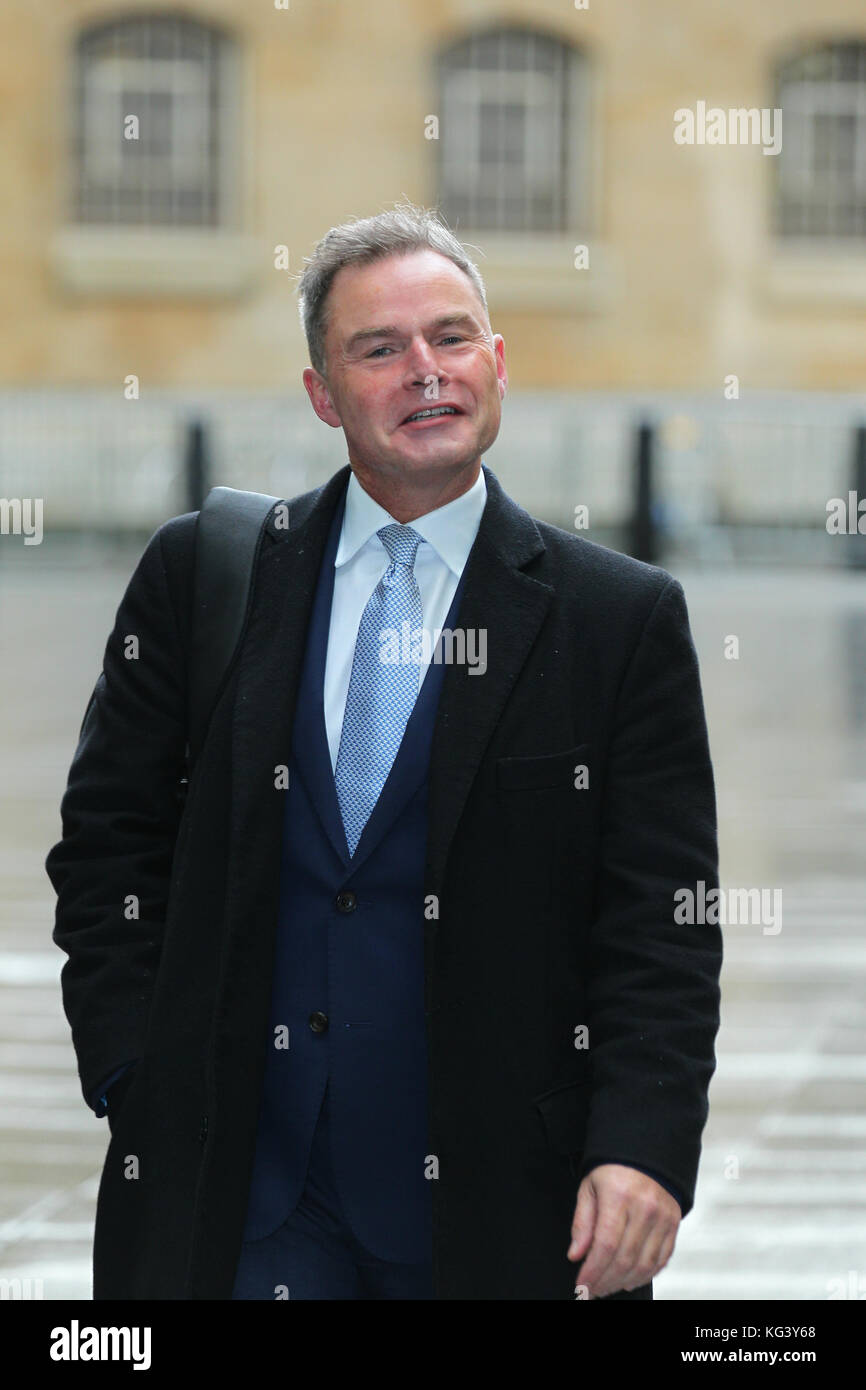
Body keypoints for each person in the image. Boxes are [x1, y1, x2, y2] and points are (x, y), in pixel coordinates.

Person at [45, 201, 722, 1301]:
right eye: (379, 348)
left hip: (500, 1207)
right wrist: (137, 1075)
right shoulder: (207, 578)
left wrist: (642, 1144)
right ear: (322, 393)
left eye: (450, 338)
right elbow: (106, 845)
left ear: (496, 363)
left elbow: (659, 914)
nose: (425, 371)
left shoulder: (616, 619)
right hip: (240, 1204)